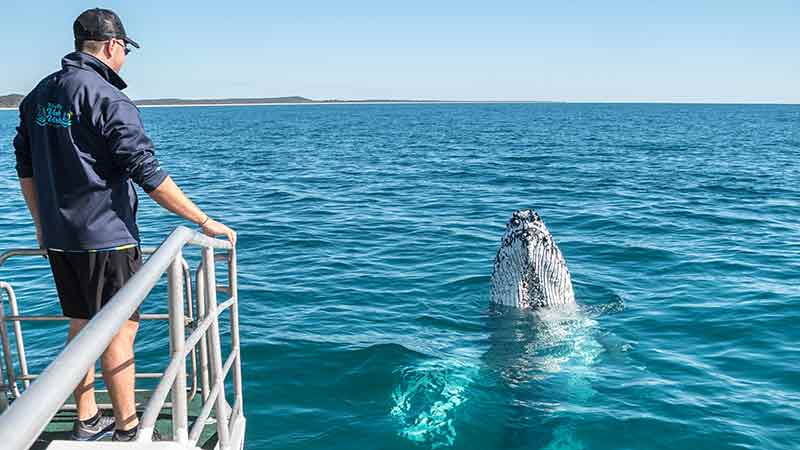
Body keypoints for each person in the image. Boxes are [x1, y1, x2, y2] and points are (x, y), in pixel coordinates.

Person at [12, 8, 236, 441]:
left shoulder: (39, 95)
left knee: (80, 328)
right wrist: (205, 221)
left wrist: (42, 226)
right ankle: (128, 430)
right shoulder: (107, 98)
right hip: (107, 239)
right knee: (117, 333)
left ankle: (87, 420)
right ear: (114, 46)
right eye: (124, 51)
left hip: (60, 239)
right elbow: (147, 174)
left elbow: (25, 165)